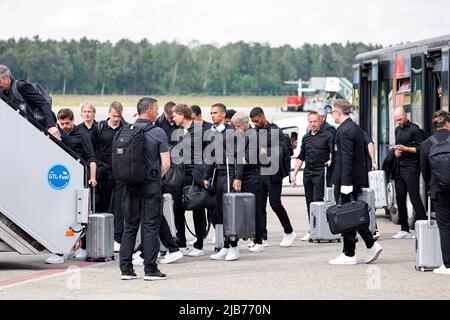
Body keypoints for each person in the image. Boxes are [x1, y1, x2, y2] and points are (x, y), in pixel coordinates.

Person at [119, 97, 170, 281]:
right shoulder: (158, 132)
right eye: (156, 109)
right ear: (149, 111)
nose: (158, 112)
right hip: (150, 185)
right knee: (150, 226)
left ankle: (126, 269)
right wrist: (156, 178)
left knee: (130, 226)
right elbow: (166, 163)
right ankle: (150, 270)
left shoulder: (127, 130)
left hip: (130, 185)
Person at [328, 99, 382, 265]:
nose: (332, 115)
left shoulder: (345, 130)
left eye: (332, 112)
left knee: (347, 216)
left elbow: (347, 158)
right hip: (351, 178)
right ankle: (365, 246)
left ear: (338, 112)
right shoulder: (353, 127)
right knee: (352, 215)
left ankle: (350, 253)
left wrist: (345, 182)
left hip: (346, 180)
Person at [45, 108, 98, 264]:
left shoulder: (82, 135)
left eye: (67, 123)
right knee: (63, 215)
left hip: (79, 180)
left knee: (81, 215)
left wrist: (93, 177)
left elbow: (91, 157)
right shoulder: (57, 133)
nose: (65, 126)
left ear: (73, 120)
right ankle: (64, 249)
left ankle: (83, 247)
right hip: (62, 180)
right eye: (62, 124)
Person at [250, 107, 296, 247]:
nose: (255, 124)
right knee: (259, 206)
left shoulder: (277, 132)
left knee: (275, 204)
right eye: (253, 122)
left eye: (257, 121)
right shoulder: (254, 132)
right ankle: (262, 237)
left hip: (274, 174)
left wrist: (263, 148)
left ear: (263, 117)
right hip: (260, 174)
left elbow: (280, 152)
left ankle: (289, 231)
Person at [203, 103, 243, 261]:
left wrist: (238, 177)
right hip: (218, 174)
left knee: (229, 212)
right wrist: (206, 177)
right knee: (219, 212)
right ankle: (225, 247)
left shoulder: (233, 133)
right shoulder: (212, 133)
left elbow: (239, 157)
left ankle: (234, 246)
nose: (212, 115)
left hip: (230, 174)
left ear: (224, 114)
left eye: (215, 113)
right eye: (211, 113)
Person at [172, 104, 210, 257]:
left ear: (182, 115)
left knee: (198, 209)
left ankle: (199, 244)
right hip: (181, 175)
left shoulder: (199, 132)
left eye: (175, 115)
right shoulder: (179, 132)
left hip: (195, 176)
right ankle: (181, 243)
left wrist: (203, 176)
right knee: (178, 209)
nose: (173, 117)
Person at [291, 111, 333, 241]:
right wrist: (294, 174)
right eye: (311, 122)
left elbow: (333, 152)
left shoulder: (327, 136)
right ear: (308, 122)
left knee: (317, 201)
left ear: (320, 121)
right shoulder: (306, 137)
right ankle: (312, 229)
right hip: (307, 173)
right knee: (309, 203)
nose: (313, 124)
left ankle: (320, 230)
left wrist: (330, 160)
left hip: (320, 172)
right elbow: (300, 157)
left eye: (315, 121)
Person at [91, 101, 125, 252]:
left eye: (118, 116)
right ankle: (101, 236)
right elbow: (93, 148)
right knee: (102, 205)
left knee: (118, 207)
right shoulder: (99, 128)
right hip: (103, 172)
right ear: (109, 113)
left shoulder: (126, 128)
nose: (116, 119)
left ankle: (117, 238)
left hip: (119, 173)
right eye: (114, 116)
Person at [420, 110, 450, 275]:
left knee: (445, 227)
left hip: (439, 190)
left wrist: (432, 186)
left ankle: (448, 265)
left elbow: (424, 171)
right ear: (447, 123)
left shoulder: (426, 144)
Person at [232, 112, 265, 253]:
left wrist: (237, 176)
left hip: (252, 177)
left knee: (256, 209)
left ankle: (259, 240)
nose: (236, 128)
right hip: (245, 176)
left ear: (246, 124)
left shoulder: (253, 136)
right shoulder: (243, 135)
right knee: (246, 210)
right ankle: (252, 237)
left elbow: (245, 160)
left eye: (238, 126)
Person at [392, 107, 427, 239]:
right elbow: (397, 146)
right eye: (397, 120)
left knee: (414, 197)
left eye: (400, 119)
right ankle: (404, 229)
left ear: (406, 115)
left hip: (412, 167)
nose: (399, 122)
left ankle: (422, 225)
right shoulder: (397, 130)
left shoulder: (414, 129)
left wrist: (405, 148)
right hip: (399, 167)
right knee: (400, 198)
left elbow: (421, 148)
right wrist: (396, 152)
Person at [0, 64, 61, 140]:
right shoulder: (3, 94)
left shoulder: (21, 86)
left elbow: (44, 103)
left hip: (42, 129)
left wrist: (51, 126)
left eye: (0, 81)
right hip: (24, 132)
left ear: (8, 77)